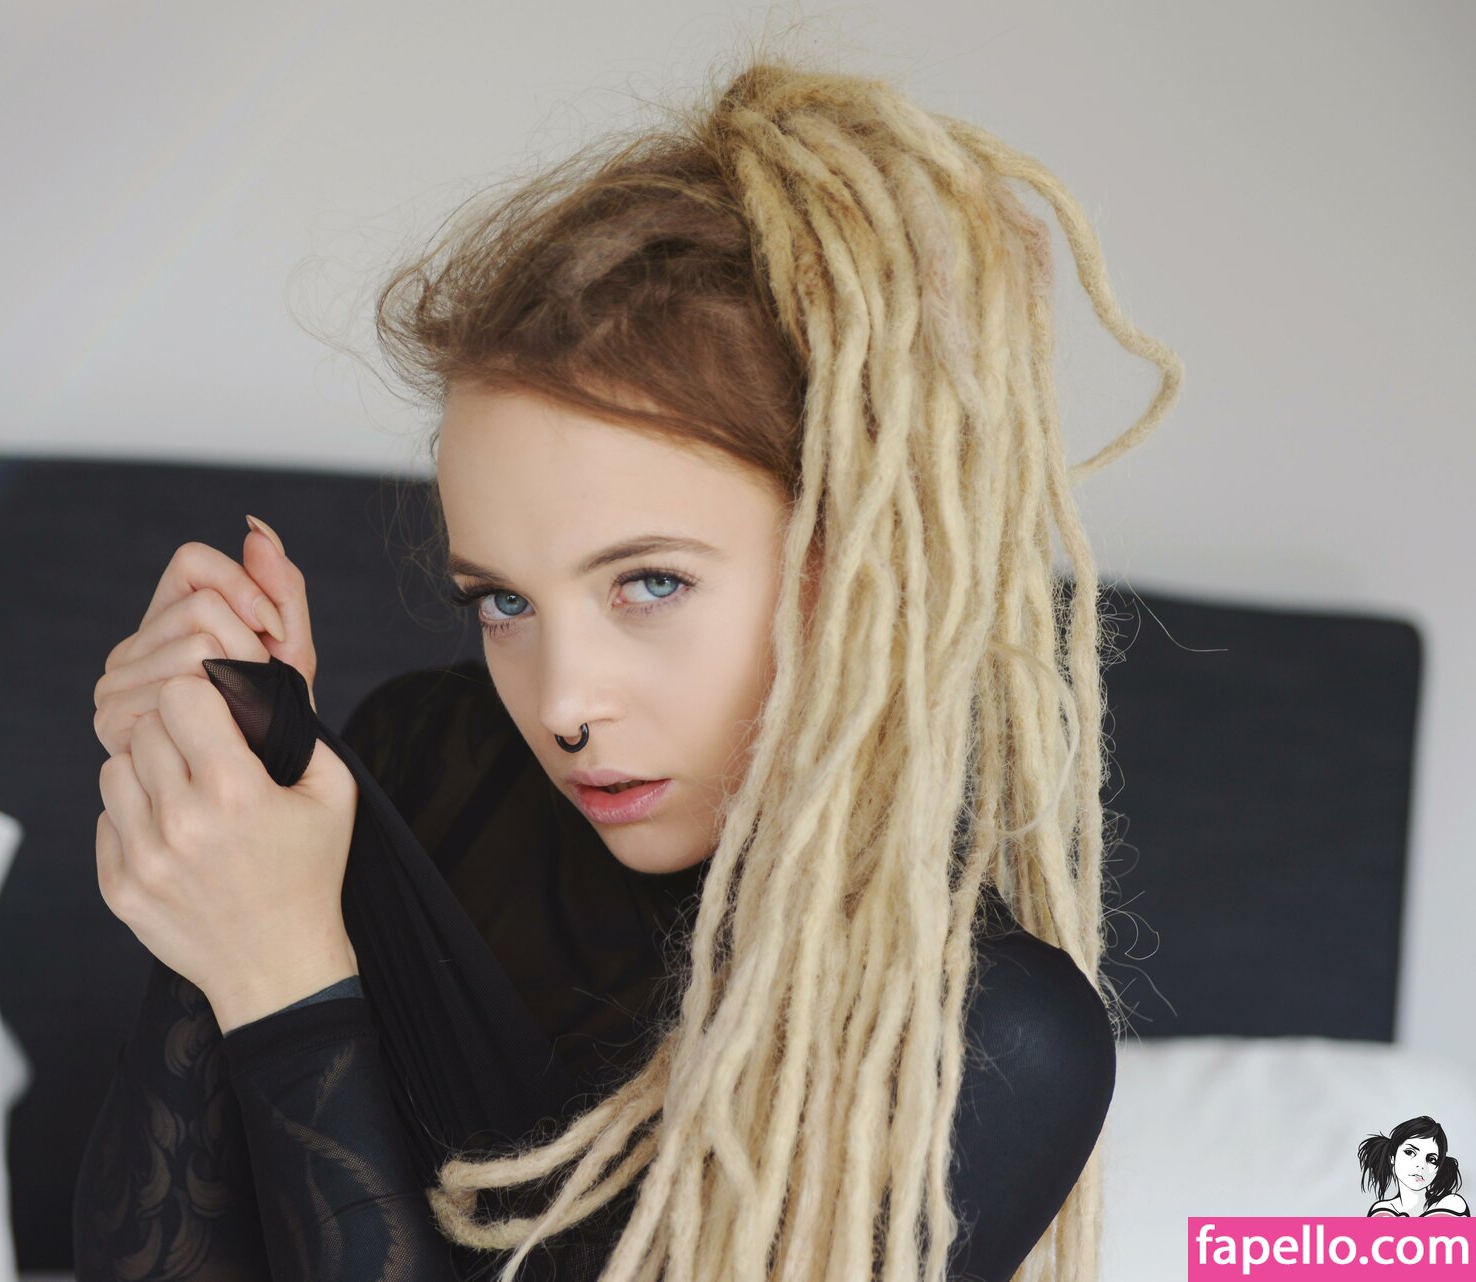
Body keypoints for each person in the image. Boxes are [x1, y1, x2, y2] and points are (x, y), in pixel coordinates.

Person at [76, 42, 1183, 1282]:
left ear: (855, 568)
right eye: (502, 601)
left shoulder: (979, 1034)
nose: (562, 704)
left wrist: (282, 977)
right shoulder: (421, 768)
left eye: (649, 583)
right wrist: (228, 794)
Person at [1361, 1117, 1470, 1217]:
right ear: (1392, 1157)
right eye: (1409, 1152)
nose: (1421, 1165)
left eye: (1431, 1159)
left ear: (1438, 1169)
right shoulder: (1382, 1211)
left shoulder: (1452, 1204)